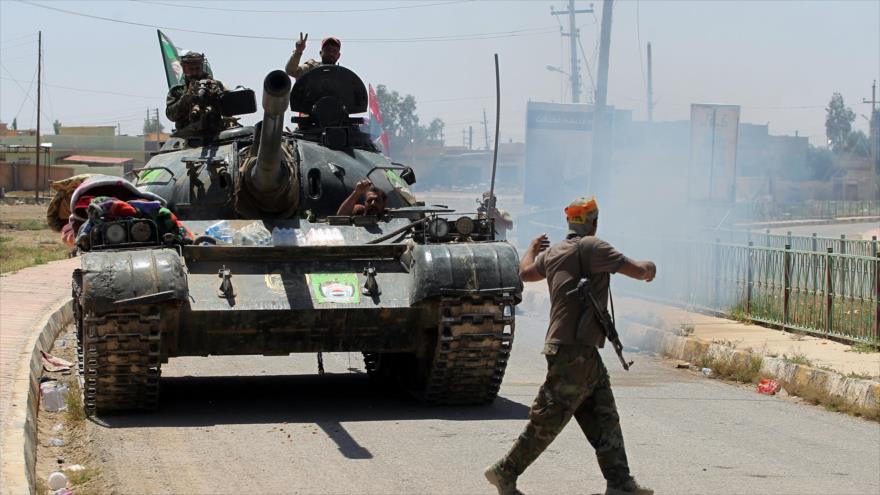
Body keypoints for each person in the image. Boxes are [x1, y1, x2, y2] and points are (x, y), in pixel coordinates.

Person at [485, 196, 656, 495]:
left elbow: (525, 273)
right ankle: (505, 470)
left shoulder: (554, 253)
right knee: (549, 418)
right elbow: (638, 271)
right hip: (574, 352)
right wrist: (650, 268)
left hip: (577, 350)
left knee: (604, 416)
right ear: (594, 222)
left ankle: (620, 482)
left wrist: (530, 249)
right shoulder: (593, 247)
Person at [165, 51, 226, 138]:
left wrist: (217, 96)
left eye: (197, 68)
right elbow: (171, 116)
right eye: (191, 69)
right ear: (184, 69)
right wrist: (186, 97)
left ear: (202, 67)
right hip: (187, 137)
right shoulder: (177, 90)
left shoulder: (215, 85)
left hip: (215, 134)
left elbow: (227, 111)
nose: (194, 73)